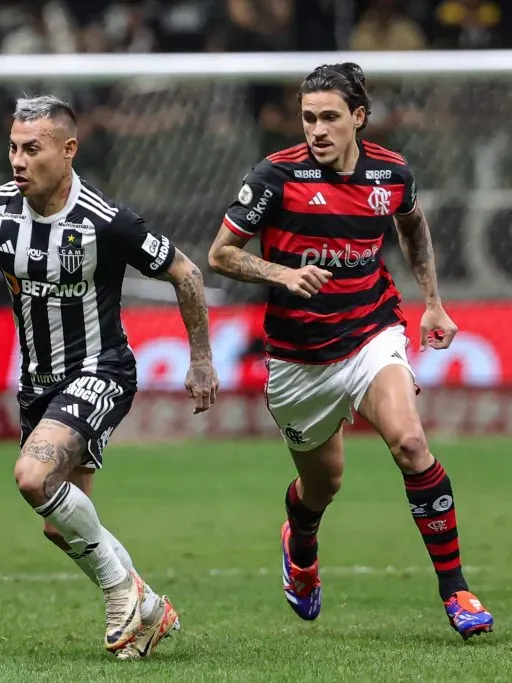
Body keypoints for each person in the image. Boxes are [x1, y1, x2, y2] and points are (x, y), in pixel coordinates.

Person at [0, 95, 218, 658]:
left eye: (32, 148)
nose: (17, 159)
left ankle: (120, 595)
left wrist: (200, 358)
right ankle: (149, 608)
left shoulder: (107, 221)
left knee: (32, 477)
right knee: (60, 526)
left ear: (68, 149)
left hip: (101, 369)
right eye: (12, 147)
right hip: (37, 384)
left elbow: (187, 272)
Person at [208, 63, 494, 640]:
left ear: (358, 118)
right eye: (309, 117)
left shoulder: (391, 173)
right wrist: (282, 274)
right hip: (298, 358)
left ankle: (456, 590)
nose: (317, 128)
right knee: (323, 486)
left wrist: (433, 302)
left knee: (411, 443)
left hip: (371, 332)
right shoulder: (273, 177)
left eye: (330, 117)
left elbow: (412, 227)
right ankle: (302, 540)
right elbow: (221, 254)